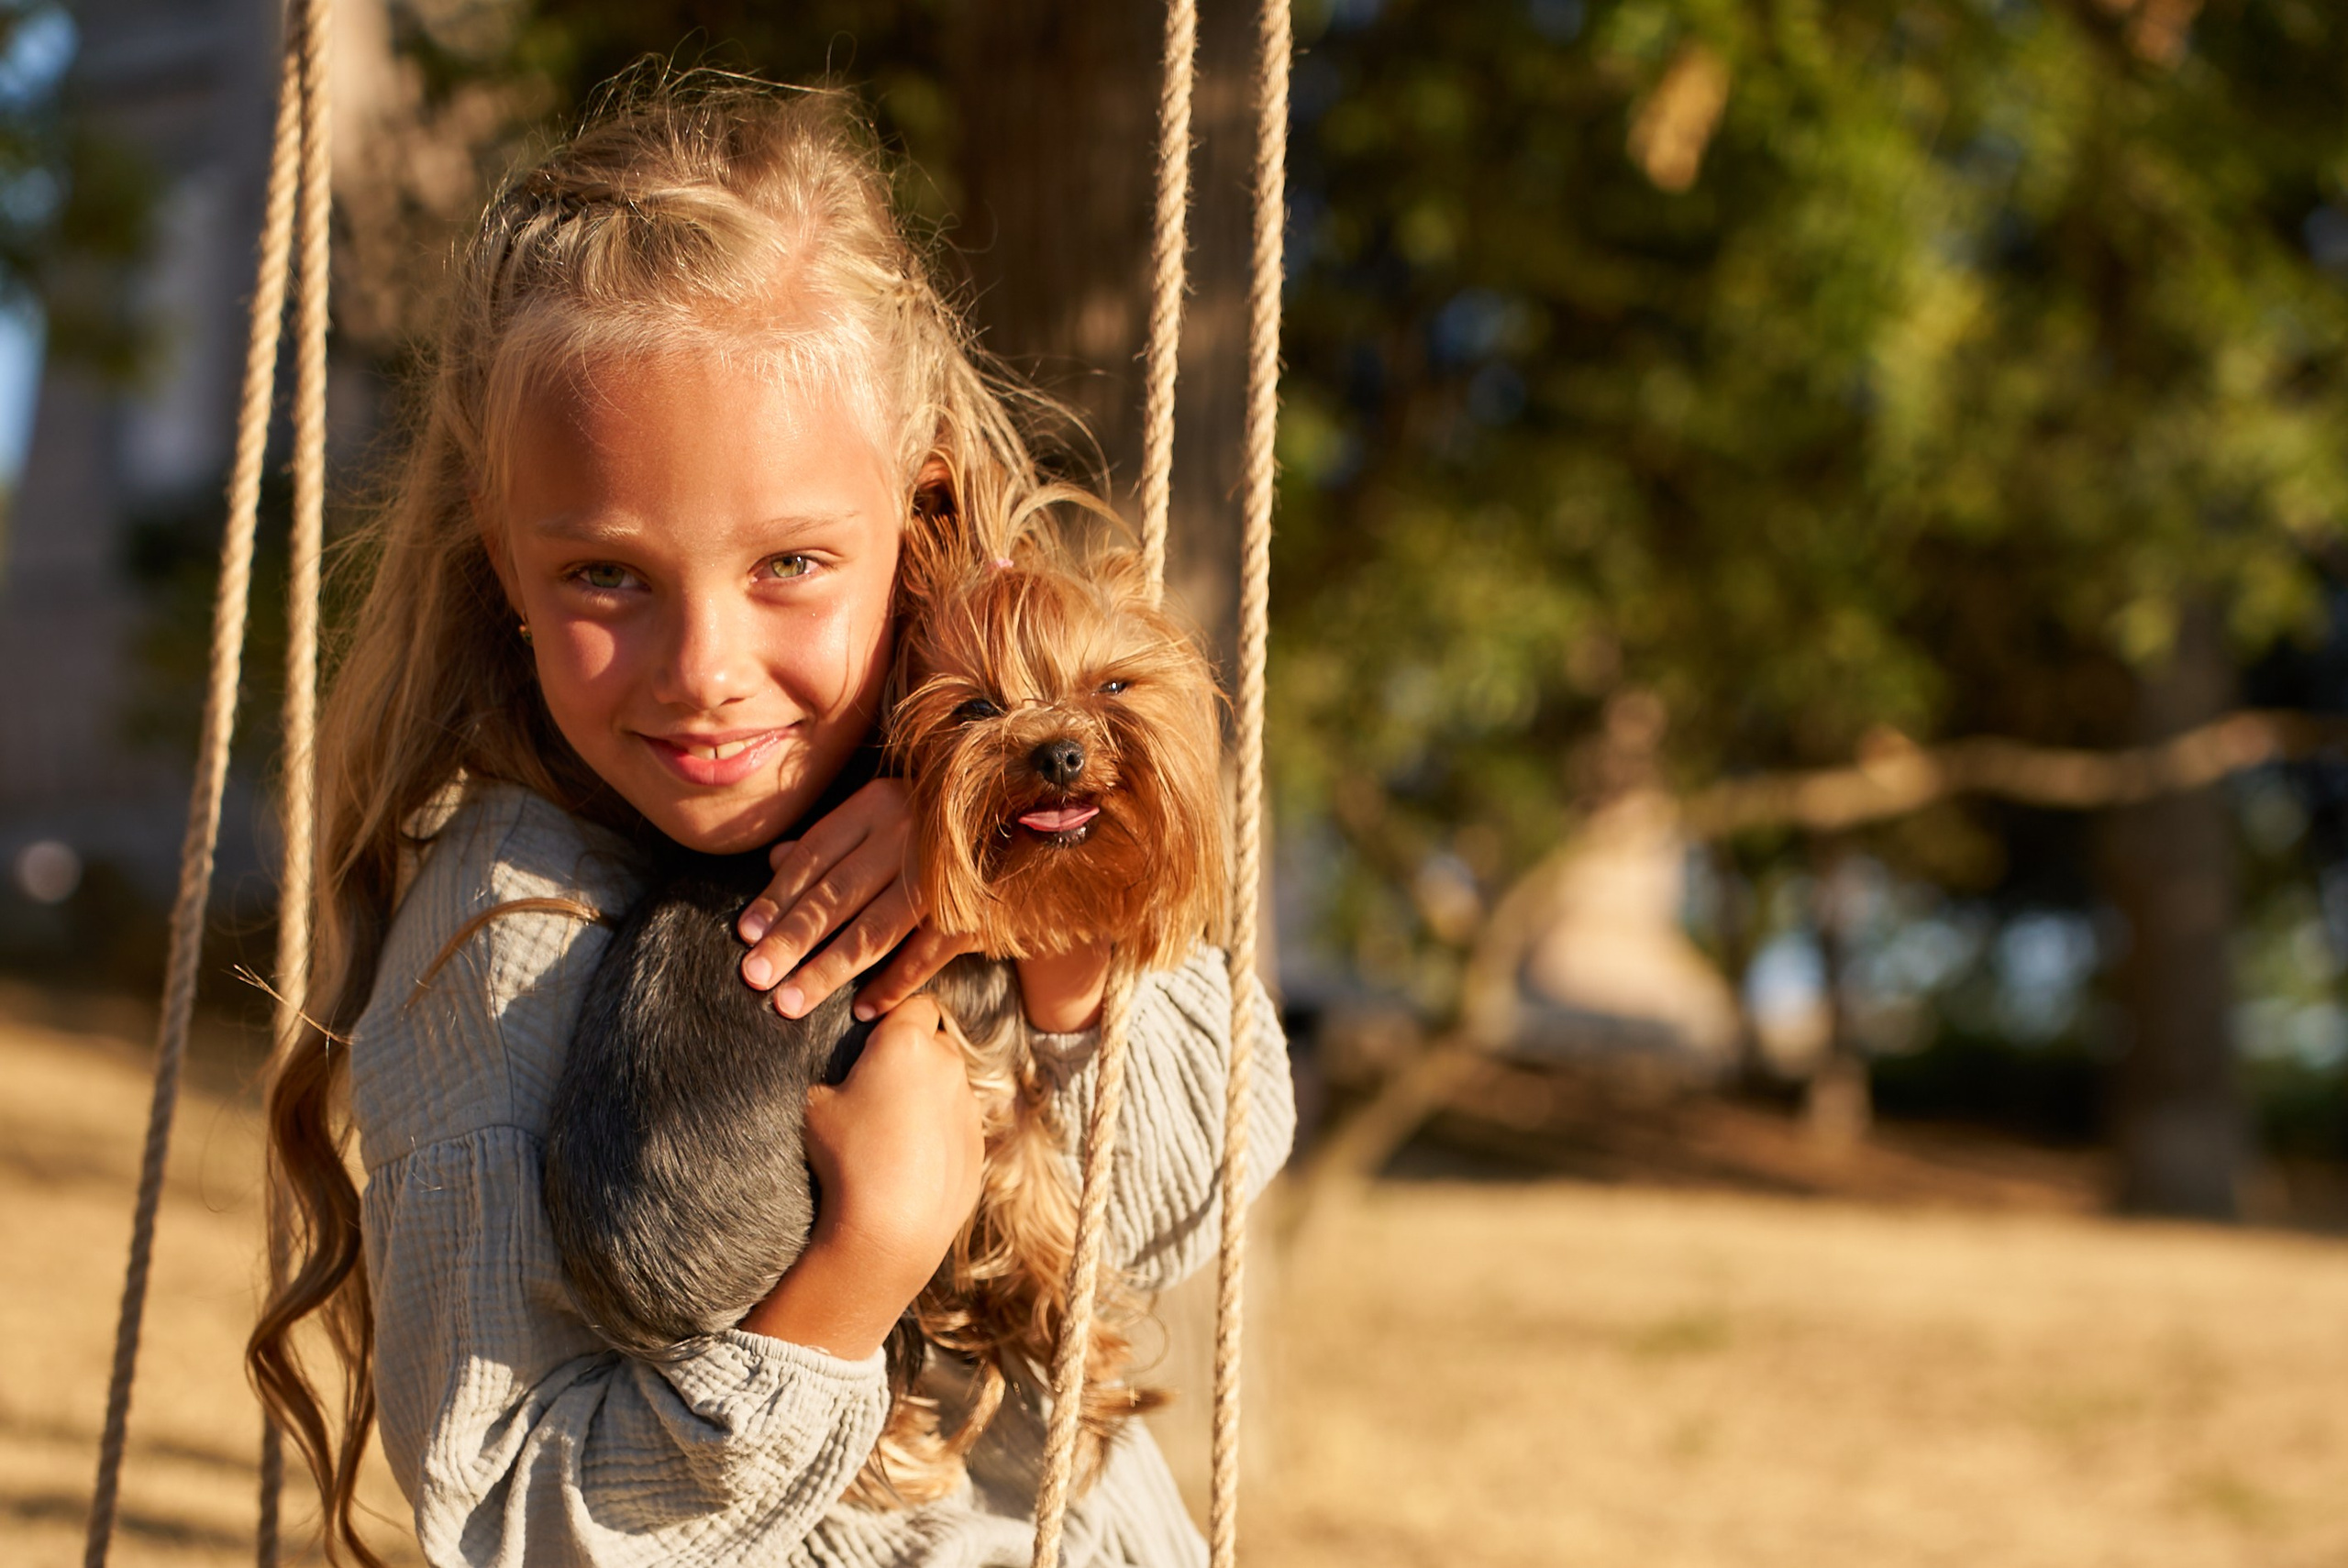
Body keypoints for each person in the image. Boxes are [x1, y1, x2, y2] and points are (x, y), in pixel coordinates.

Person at [248, 74, 1293, 1568]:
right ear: (506, 561)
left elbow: (1188, 1206)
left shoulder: (997, 778)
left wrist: (1028, 912)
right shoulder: (503, 933)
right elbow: (509, 1515)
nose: (704, 673)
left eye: (791, 560)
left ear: (914, 516)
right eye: (608, 576)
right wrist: (849, 1281)